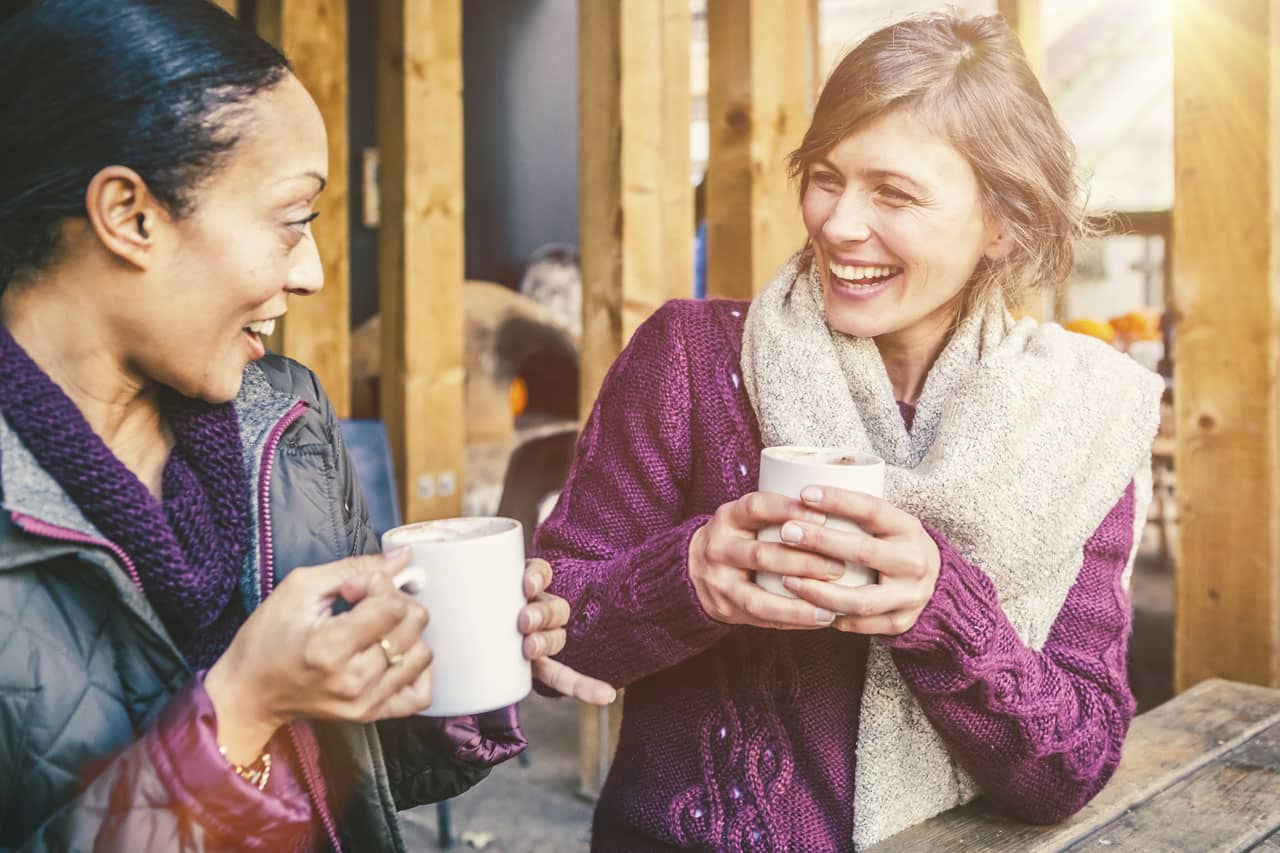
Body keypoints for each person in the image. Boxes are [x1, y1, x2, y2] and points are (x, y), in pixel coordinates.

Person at [533, 12, 1161, 851]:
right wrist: (689, 576)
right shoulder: (689, 358)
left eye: (893, 193)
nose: (836, 224)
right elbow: (558, 629)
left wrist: (938, 607)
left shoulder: (1081, 418)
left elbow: (1071, 767)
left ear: (1003, 223)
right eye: (826, 177)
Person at [0, 1, 613, 850]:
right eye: (292, 220)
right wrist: (244, 707)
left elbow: (365, 772)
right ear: (130, 216)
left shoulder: (283, 419)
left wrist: (463, 665)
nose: (314, 273)